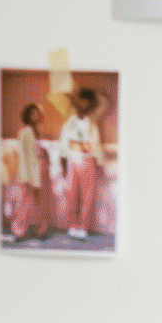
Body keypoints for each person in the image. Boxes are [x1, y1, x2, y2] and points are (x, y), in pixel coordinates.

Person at [61, 88, 105, 241]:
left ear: (90, 102)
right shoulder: (71, 119)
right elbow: (65, 140)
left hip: (88, 159)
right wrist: (74, 98)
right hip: (73, 160)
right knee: (71, 194)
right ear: (77, 101)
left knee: (87, 196)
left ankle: (83, 228)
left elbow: (105, 102)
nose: (83, 103)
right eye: (81, 100)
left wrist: (93, 97)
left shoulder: (92, 118)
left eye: (87, 101)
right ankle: (73, 225)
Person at [4, 104, 46, 243]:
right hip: (29, 174)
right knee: (24, 203)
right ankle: (18, 231)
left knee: (38, 203)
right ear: (27, 116)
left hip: (37, 171)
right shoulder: (25, 132)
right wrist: (26, 175)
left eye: (37, 113)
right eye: (33, 113)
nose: (36, 115)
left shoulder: (35, 131)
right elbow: (24, 156)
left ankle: (40, 230)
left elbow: (35, 152)